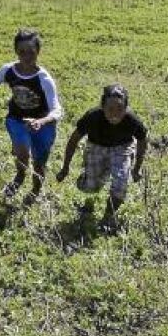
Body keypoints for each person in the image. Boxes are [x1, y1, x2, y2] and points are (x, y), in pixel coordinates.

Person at [0, 28, 64, 205]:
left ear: (38, 52)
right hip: (17, 121)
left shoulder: (44, 79)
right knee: (22, 155)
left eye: (31, 52)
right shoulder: (9, 71)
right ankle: (20, 176)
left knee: (39, 163)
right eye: (22, 52)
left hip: (43, 125)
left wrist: (41, 121)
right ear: (16, 51)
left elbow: (56, 110)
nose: (26, 57)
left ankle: (35, 190)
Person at [55, 85, 149, 232]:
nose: (115, 114)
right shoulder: (92, 117)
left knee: (121, 182)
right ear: (102, 106)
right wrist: (65, 167)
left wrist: (136, 168)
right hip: (96, 147)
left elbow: (142, 141)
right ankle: (90, 178)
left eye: (120, 109)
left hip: (122, 148)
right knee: (92, 187)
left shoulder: (132, 121)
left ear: (126, 108)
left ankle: (108, 216)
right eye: (110, 109)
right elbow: (74, 140)